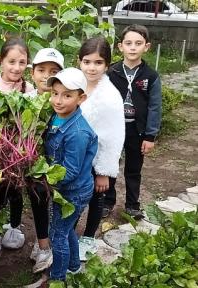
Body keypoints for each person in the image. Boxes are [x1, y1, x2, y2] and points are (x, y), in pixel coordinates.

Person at [44, 68, 98, 282]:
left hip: (73, 192)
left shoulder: (77, 133)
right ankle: (74, 266)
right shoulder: (57, 117)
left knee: (57, 235)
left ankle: (57, 279)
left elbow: (71, 171)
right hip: (68, 190)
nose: (58, 100)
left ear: (81, 98)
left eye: (67, 95)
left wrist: (44, 179)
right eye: (55, 93)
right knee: (66, 231)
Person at [105, 24, 162, 220]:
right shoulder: (111, 73)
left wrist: (150, 136)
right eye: (128, 43)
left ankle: (132, 204)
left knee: (133, 169)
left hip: (136, 131)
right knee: (110, 164)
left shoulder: (151, 76)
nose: (132, 47)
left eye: (138, 43)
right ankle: (107, 201)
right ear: (120, 46)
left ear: (146, 47)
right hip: (114, 128)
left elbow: (155, 107)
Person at [0, 37, 33, 261]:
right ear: (0, 61)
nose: (16, 67)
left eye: (22, 63)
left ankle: (13, 229)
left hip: (19, 157)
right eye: (11, 61)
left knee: (16, 193)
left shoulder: (29, 89)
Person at [77, 37, 125, 255]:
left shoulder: (109, 96)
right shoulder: (74, 85)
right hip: (76, 157)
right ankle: (67, 233)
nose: (92, 67)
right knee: (73, 196)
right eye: (87, 61)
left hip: (97, 161)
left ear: (107, 64)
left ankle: (88, 237)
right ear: (79, 61)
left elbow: (114, 136)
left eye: (98, 62)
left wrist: (104, 172)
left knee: (97, 199)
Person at [26, 47, 64, 273]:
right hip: (32, 163)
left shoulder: (61, 100)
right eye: (41, 70)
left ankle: (45, 247)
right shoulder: (26, 99)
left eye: (53, 71)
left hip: (56, 163)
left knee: (50, 203)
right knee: (38, 200)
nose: (45, 76)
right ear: (32, 73)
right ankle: (42, 243)